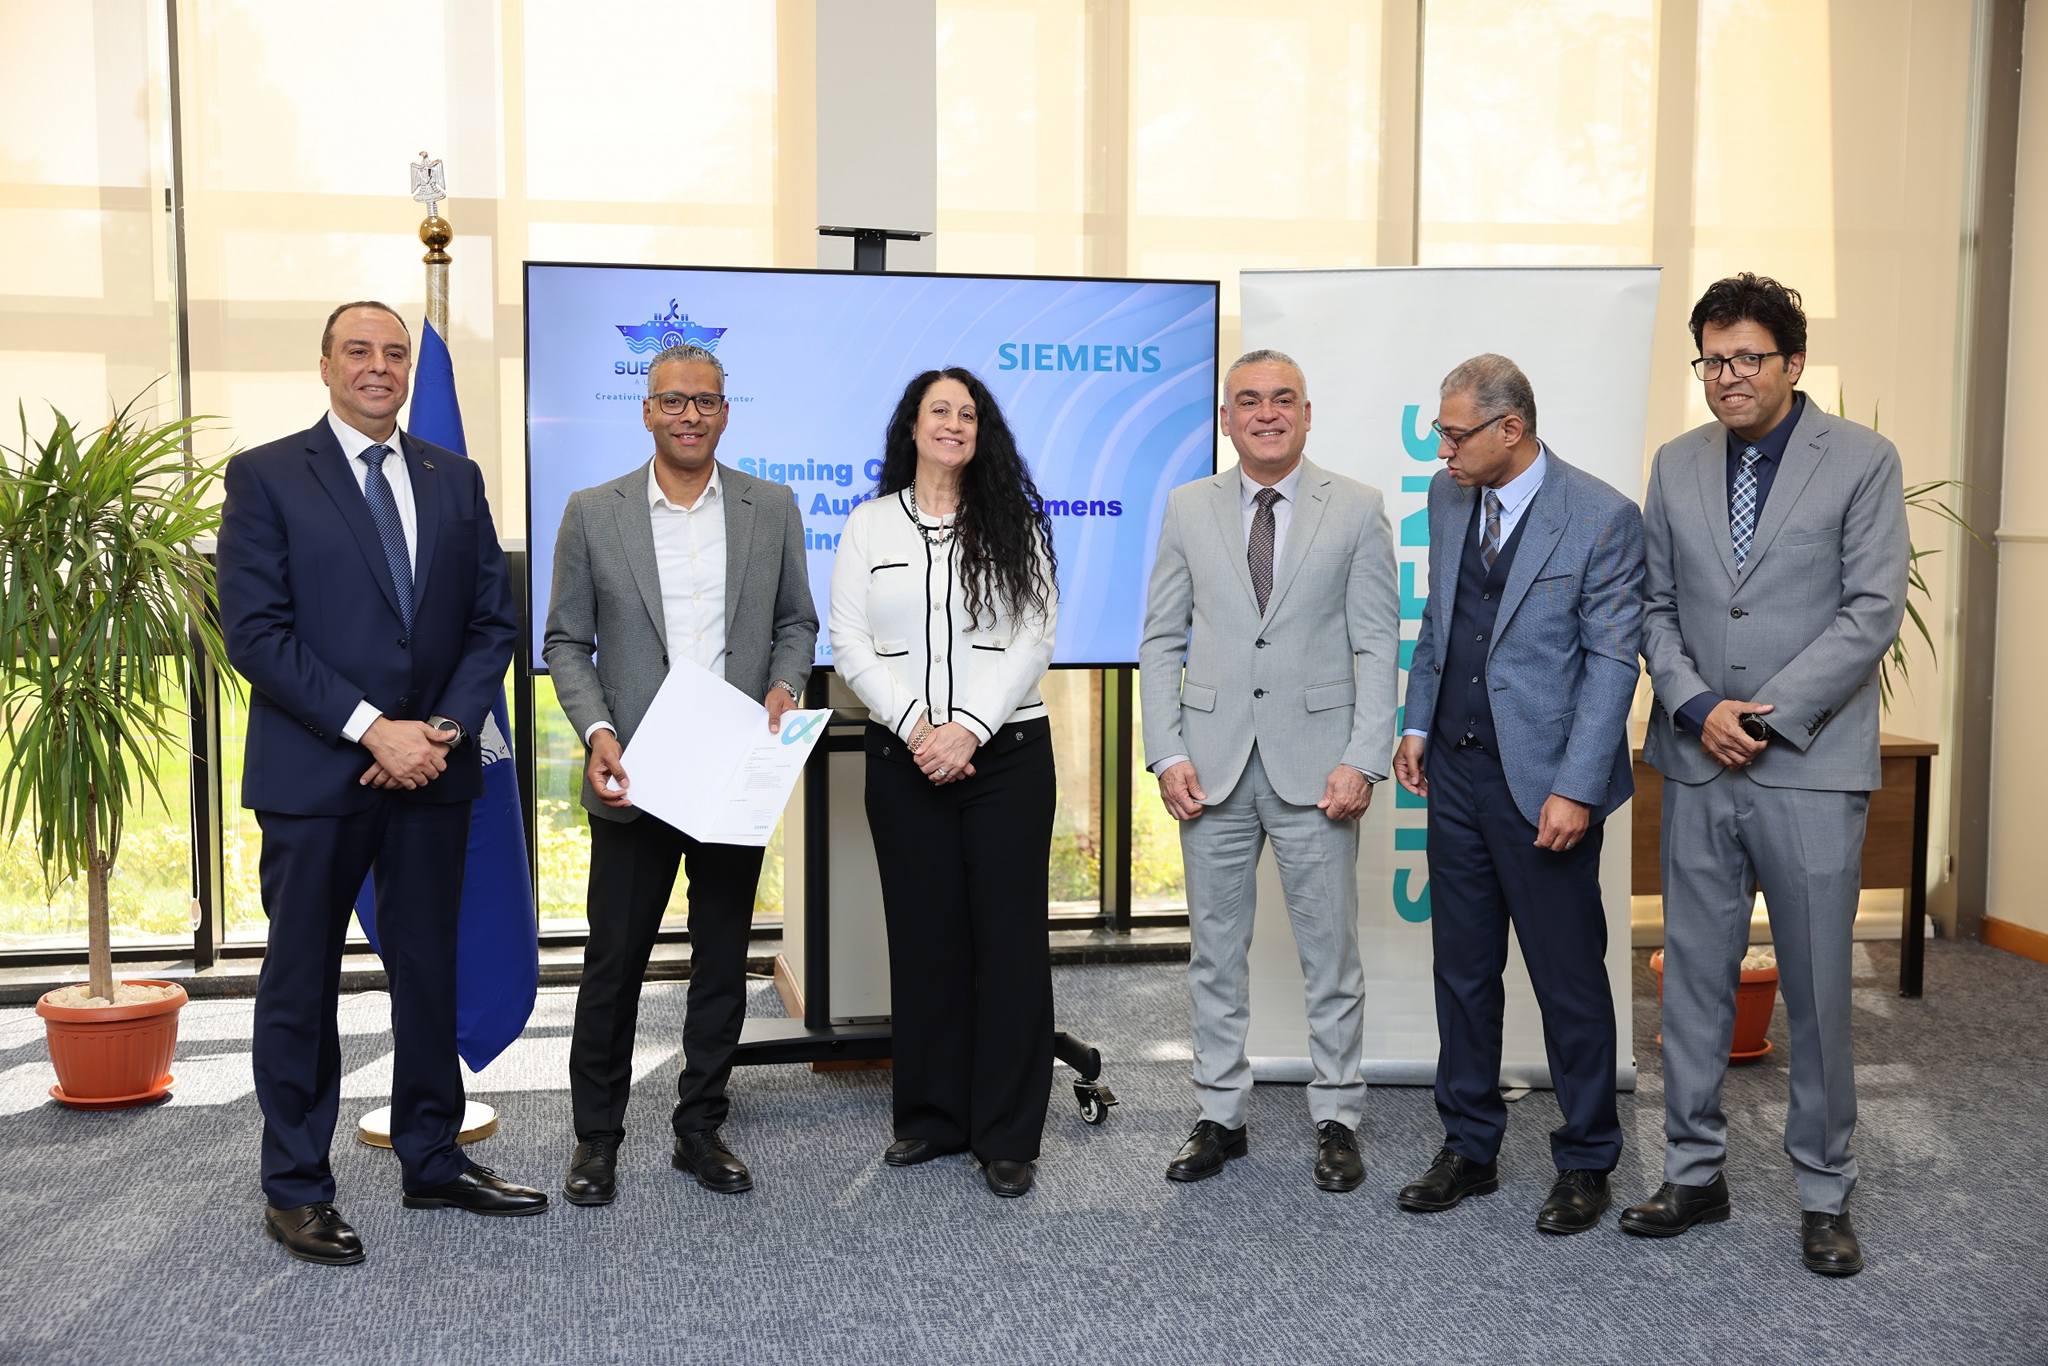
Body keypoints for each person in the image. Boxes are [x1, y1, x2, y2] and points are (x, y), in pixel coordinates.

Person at [219, 300, 542, 1267]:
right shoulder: (267, 475)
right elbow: (256, 634)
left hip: (433, 769)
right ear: (325, 365)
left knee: (430, 971)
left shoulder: (454, 477)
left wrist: (439, 731)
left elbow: (491, 622)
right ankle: (297, 1187)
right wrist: (373, 728)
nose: (380, 366)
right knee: (302, 980)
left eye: (396, 353)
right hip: (318, 773)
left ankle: (432, 1157)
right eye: (358, 350)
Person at [1625, 274, 1907, 1277]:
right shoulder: (1676, 463)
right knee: (1693, 982)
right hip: (1697, 759)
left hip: (1807, 766)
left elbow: (1871, 610)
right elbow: (1653, 605)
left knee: (1819, 990)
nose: (1727, 376)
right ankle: (1693, 1173)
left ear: (1792, 362)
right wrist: (1698, 704)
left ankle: (1824, 1191)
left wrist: (1764, 717)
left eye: (1746, 357)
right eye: (1712, 359)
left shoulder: (1861, 460)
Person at [544, 343, 817, 1203]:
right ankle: (596, 1138)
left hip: (731, 771)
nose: (689, 415)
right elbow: (565, 642)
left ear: (725, 413)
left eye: (705, 401)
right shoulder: (594, 512)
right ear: (647, 411)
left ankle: (700, 1127)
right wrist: (598, 731)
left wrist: (785, 685)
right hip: (635, 775)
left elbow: (797, 623)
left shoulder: (773, 507)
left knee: (721, 959)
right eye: (673, 400)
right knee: (613, 964)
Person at [1390, 354, 1643, 1234]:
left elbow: (1611, 664)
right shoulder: (1448, 496)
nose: (1443, 450)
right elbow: (1440, 621)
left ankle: (1586, 1159)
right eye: (1440, 433)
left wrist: (1576, 788)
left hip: (1544, 787)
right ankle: (1469, 1146)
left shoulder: (1602, 516)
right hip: (1454, 773)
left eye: (1455, 434)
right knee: (1462, 971)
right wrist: (1416, 724)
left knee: (1567, 977)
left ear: (1512, 428)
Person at [1138, 349, 1399, 1191]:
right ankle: (1220, 1115)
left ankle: (1337, 1117)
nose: (1267, 413)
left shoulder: (1356, 509)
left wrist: (1363, 759)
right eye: (1248, 401)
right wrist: (1167, 750)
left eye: (1283, 399)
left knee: (1331, 957)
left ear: (1307, 413)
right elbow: (1160, 640)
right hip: (1210, 768)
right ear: (1226, 419)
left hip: (1319, 770)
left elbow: (1376, 645)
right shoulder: (1187, 507)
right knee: (1215, 955)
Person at [829, 367, 1059, 1199]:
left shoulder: (1017, 523)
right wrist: (921, 728)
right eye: (940, 411)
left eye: (968, 414)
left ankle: (1007, 1134)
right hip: (905, 759)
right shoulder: (869, 525)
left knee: (1009, 946)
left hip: (1008, 758)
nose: (954, 424)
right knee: (925, 941)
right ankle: (931, 1119)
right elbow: (848, 642)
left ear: (980, 432)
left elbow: (1035, 638)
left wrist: (969, 729)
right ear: (912, 426)